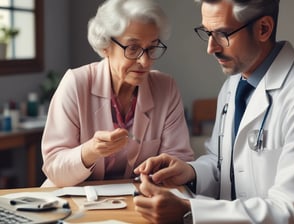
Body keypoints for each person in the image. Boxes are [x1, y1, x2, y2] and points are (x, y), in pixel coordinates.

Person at [133, 0, 294, 223]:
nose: (211, 48)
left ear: (263, 28)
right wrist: (189, 173)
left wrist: (189, 210)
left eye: (223, 33)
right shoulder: (232, 85)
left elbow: (292, 212)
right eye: (207, 33)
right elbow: (222, 164)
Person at [41, 0, 194, 187]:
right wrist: (90, 151)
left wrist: (162, 172)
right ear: (105, 46)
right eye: (133, 48)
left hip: (136, 200)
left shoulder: (166, 88)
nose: (145, 61)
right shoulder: (76, 83)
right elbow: (54, 167)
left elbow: (180, 161)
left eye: (152, 48)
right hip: (73, 198)